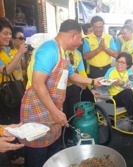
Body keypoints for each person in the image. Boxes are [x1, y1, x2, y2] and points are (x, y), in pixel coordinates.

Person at [19, 19, 101, 167]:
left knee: (53, 153)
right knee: (38, 156)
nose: (81, 43)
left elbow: (73, 76)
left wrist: (94, 81)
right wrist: (55, 112)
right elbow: (38, 83)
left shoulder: (63, 54)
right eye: (81, 39)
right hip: (38, 109)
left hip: (53, 109)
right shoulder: (49, 49)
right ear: (74, 35)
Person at [0, 17, 28, 125]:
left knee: (19, 121)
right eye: (5, 33)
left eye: (10, 34)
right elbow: (6, 71)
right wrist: (20, 53)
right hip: (5, 95)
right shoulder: (16, 52)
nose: (8, 37)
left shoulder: (11, 50)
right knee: (9, 124)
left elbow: (23, 67)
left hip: (18, 91)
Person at [102, 52, 133, 120]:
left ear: (127, 65)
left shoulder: (130, 72)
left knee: (129, 92)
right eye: (118, 61)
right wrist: (105, 84)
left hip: (127, 97)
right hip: (113, 98)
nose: (119, 64)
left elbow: (131, 86)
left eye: (122, 62)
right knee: (128, 93)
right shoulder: (111, 70)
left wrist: (121, 83)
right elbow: (104, 84)